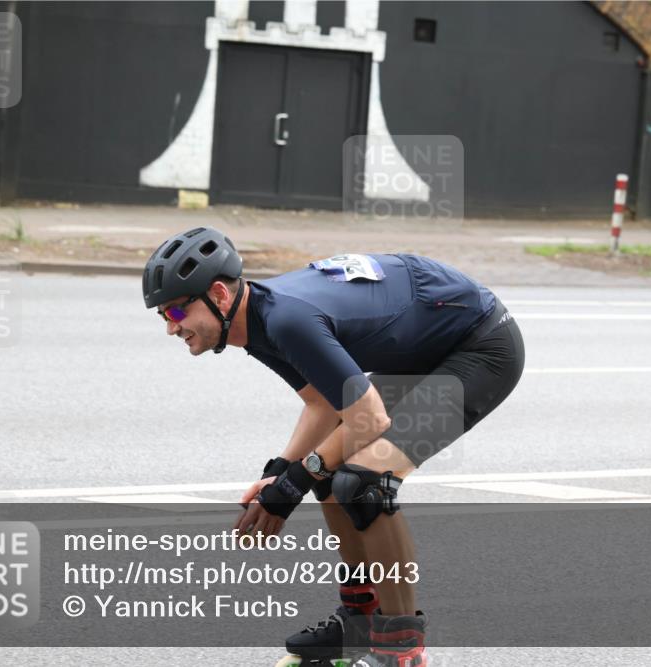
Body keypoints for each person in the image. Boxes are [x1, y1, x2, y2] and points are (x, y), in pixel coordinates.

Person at [143, 227, 525, 667]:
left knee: (363, 483)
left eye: (175, 309)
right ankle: (359, 621)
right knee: (328, 471)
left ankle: (401, 648)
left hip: (481, 346)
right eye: (162, 316)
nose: (171, 327)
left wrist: (295, 483)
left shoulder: (286, 320)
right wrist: (282, 474)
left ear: (218, 295)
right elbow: (322, 402)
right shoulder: (255, 322)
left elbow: (369, 418)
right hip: (426, 347)